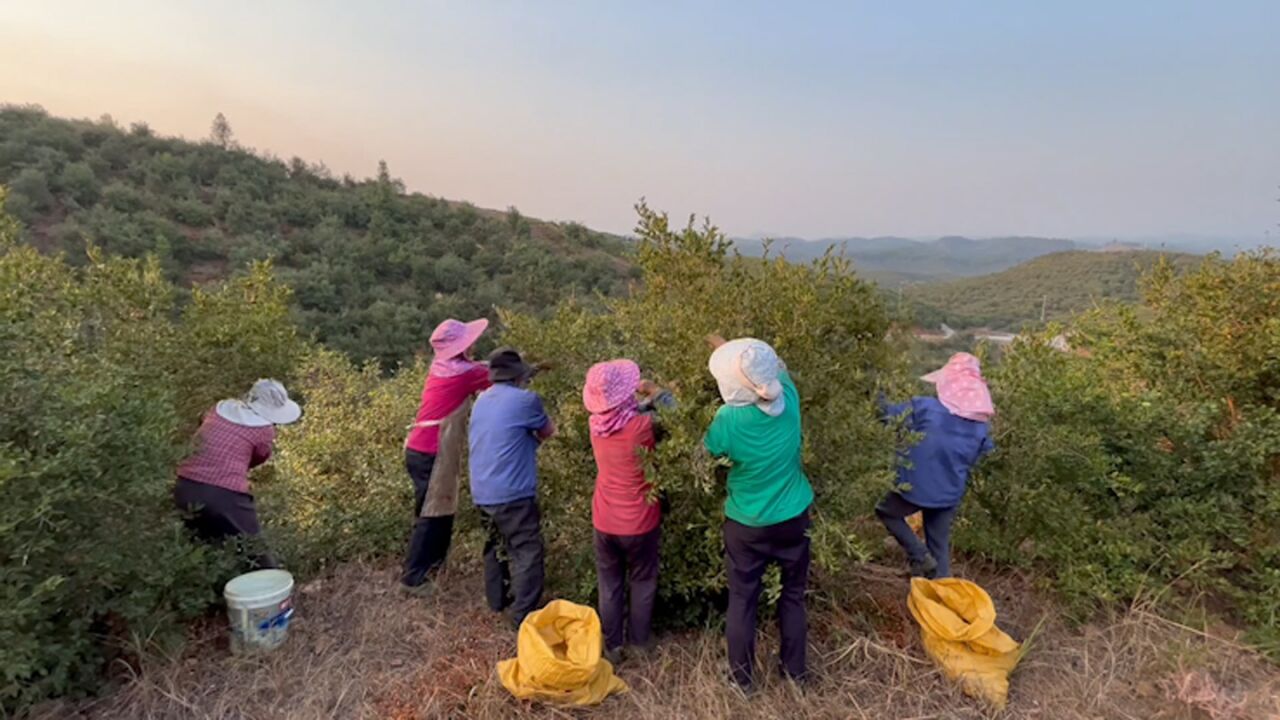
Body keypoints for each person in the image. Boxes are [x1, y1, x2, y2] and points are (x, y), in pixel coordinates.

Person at [703, 336, 814, 692]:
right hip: (794, 517)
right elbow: (776, 372)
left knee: (742, 599)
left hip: (747, 524)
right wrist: (746, 359)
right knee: (793, 595)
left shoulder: (728, 420)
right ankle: (794, 674)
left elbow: (711, 451)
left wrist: (730, 355)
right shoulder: (791, 399)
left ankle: (742, 679)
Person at [582, 359, 675, 664]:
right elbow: (677, 413)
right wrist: (658, 392)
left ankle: (613, 645)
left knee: (609, 582)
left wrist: (645, 401)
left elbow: (626, 412)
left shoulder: (596, 425)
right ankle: (639, 642)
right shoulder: (642, 427)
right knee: (642, 579)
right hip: (640, 519)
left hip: (605, 519)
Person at [876, 352, 995, 579]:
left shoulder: (925, 408)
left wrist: (875, 393)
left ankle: (918, 554)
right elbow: (983, 453)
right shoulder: (981, 427)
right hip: (949, 493)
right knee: (939, 549)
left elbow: (887, 416)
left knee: (886, 511)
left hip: (914, 486)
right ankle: (943, 601)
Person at [400, 318, 492, 595]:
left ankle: (432, 568)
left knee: (436, 512)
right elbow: (497, 374)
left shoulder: (443, 367)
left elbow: (482, 368)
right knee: (432, 515)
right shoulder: (463, 374)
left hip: (419, 448)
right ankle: (413, 578)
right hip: (432, 451)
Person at [469, 348, 556, 627]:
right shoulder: (526, 400)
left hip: (482, 489)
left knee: (494, 546)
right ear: (519, 376)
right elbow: (548, 431)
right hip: (513, 492)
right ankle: (522, 616)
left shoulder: (481, 400)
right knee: (527, 550)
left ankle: (497, 602)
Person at [175, 379, 302, 568]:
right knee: (255, 551)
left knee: (202, 550)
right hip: (225, 495)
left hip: (184, 487)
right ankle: (271, 593)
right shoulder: (263, 430)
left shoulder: (218, 409)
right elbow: (260, 456)